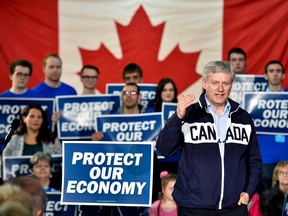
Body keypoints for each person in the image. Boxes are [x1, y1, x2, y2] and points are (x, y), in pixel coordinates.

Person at [156, 60, 262, 216]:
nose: (220, 88)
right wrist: (177, 118)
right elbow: (163, 149)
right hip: (194, 206)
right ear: (205, 83)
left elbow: (254, 161)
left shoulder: (244, 118)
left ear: (231, 85)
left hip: (234, 207)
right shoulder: (188, 114)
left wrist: (248, 192)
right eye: (215, 83)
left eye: (225, 83)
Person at [257, 60, 287, 194]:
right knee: (265, 198)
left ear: (283, 75)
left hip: (286, 155)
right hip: (265, 157)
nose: (275, 74)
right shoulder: (255, 100)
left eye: (278, 71)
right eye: (271, 71)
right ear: (265, 75)